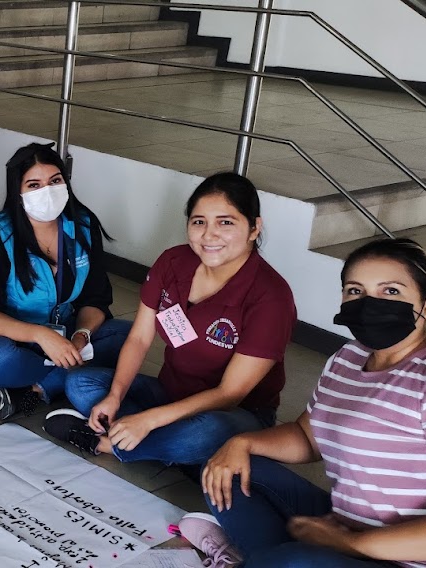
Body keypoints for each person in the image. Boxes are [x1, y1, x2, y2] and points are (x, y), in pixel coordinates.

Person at [185, 238, 426, 568]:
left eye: (390, 291)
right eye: (356, 291)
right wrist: (241, 443)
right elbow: (308, 438)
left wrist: (349, 544)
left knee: (295, 561)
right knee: (225, 471)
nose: (369, 302)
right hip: (345, 525)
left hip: (413, 559)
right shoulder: (348, 357)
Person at [45, 172, 296, 467]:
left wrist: (149, 420)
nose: (209, 235)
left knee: (206, 433)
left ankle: (107, 443)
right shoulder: (173, 262)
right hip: (170, 393)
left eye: (226, 222)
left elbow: (230, 394)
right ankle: (169, 449)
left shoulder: (271, 296)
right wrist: (115, 395)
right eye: (199, 222)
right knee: (80, 383)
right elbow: (139, 339)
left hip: (235, 413)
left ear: (254, 228)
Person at [0, 142, 130, 420]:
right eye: (34, 185)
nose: (47, 191)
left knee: (129, 338)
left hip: (64, 332)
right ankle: (62, 377)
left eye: (55, 181)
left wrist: (81, 335)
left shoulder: (83, 227)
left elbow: (96, 298)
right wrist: (41, 336)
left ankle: (33, 389)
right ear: (18, 192)